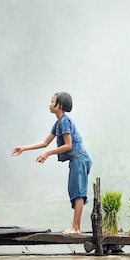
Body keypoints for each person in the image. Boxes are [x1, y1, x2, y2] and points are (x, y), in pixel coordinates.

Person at [11, 92, 92, 235]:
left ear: (59, 105)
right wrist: (23, 148)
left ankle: (75, 228)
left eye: (52, 101)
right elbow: (44, 143)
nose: (49, 104)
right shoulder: (58, 123)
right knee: (74, 191)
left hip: (80, 158)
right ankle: (75, 227)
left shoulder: (65, 121)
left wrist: (48, 153)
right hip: (76, 159)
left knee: (78, 192)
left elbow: (68, 145)